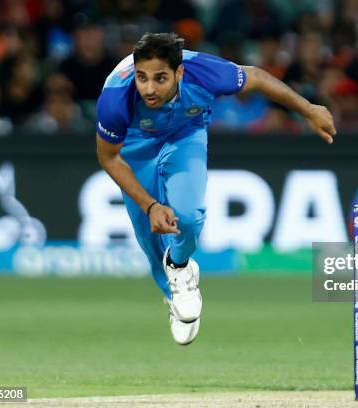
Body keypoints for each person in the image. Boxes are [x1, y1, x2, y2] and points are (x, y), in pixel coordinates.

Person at [95, 32, 336, 345]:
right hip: (135, 145)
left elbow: (258, 78)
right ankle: (173, 293)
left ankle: (179, 264)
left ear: (179, 73)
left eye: (160, 78)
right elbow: (108, 158)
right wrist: (151, 206)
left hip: (185, 135)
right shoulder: (116, 97)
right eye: (142, 78)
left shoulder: (205, 72)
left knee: (189, 217)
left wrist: (308, 110)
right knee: (149, 234)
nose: (149, 89)